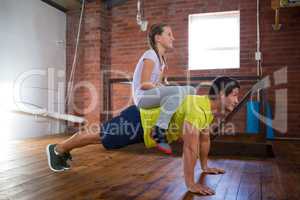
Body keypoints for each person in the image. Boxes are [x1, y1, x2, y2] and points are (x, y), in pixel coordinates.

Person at [46, 76, 240, 195]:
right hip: (139, 121)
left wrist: (205, 167)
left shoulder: (207, 111)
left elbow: (204, 139)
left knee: (100, 134)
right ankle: (58, 149)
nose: (237, 100)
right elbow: (190, 147)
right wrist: (190, 183)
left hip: (144, 127)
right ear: (222, 94)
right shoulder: (197, 108)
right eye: (235, 95)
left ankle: (62, 149)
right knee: (100, 135)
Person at [132, 23, 196, 154]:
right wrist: (163, 87)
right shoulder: (150, 55)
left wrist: (164, 86)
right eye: (169, 34)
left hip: (152, 95)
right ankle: (159, 129)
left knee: (191, 90)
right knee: (181, 90)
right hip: (142, 97)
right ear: (158, 38)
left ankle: (176, 129)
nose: (173, 38)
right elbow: (144, 84)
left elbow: (157, 85)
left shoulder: (162, 60)